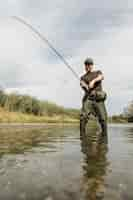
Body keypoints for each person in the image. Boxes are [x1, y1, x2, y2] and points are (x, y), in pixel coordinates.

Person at [80, 58, 107, 137]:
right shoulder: (83, 77)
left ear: (92, 65)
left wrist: (93, 81)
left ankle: (104, 137)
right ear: (85, 66)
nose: (88, 66)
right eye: (86, 64)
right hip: (89, 98)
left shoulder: (97, 72)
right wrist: (84, 85)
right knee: (83, 117)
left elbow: (101, 77)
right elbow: (83, 86)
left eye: (90, 64)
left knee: (103, 118)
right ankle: (82, 137)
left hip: (98, 98)